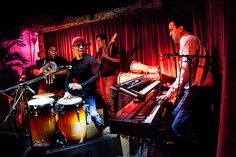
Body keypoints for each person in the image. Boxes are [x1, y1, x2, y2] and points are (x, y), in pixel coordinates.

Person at [158, 15, 215, 144]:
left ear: (181, 28)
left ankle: (184, 148)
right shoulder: (188, 40)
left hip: (199, 90)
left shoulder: (188, 40)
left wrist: (169, 94)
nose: (169, 34)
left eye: (171, 30)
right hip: (192, 89)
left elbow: (185, 74)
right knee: (172, 115)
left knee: (176, 126)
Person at [63, 36, 104, 132]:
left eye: (82, 45)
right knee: (68, 112)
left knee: (93, 114)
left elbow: (96, 76)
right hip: (78, 94)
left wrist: (81, 85)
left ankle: (104, 132)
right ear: (73, 48)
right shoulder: (72, 63)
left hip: (90, 93)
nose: (81, 47)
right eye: (78, 45)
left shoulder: (90, 59)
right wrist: (66, 91)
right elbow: (68, 79)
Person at [95, 33, 120, 117]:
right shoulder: (98, 52)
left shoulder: (111, 48)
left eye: (99, 41)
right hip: (102, 77)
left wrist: (107, 57)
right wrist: (97, 63)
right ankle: (108, 116)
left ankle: (113, 117)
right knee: (104, 97)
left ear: (104, 41)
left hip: (110, 77)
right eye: (96, 41)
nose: (97, 43)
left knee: (110, 97)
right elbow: (95, 65)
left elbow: (118, 60)